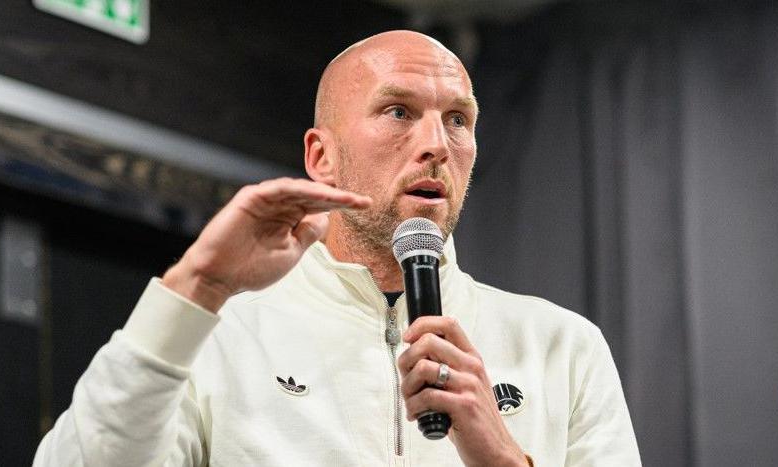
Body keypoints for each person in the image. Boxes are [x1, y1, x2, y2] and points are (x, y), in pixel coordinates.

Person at [33, 30, 641, 466]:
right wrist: (197, 286)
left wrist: (502, 457)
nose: (435, 143)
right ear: (321, 158)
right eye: (399, 110)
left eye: (458, 119)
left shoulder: (562, 347)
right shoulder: (222, 336)